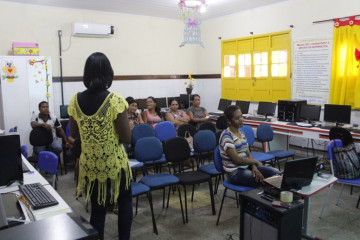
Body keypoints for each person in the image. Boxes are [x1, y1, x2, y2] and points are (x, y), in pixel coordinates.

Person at [68, 52, 132, 240]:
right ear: (108, 73)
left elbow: (75, 134)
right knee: (125, 201)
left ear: (86, 74)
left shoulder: (75, 100)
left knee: (98, 208)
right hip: (114, 163)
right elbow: (126, 137)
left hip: (91, 165)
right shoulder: (114, 100)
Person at [219, 105, 280, 188]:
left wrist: (254, 167)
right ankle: (257, 199)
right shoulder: (226, 136)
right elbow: (237, 160)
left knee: (276, 173)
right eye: (237, 118)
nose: (241, 120)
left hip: (247, 167)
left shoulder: (241, 133)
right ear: (229, 121)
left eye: (241, 116)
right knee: (263, 180)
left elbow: (248, 154)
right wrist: (255, 162)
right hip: (234, 172)